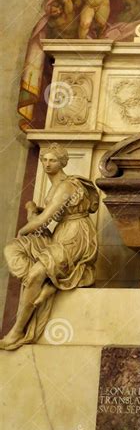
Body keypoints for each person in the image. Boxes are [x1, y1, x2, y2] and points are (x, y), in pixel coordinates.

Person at [0, 144, 99, 350]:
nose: (47, 163)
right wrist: (33, 210)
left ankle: (17, 330)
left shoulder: (67, 185)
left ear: (62, 162)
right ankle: (49, 284)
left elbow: (44, 220)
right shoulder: (55, 186)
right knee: (13, 249)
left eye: (52, 160)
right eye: (44, 159)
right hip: (61, 233)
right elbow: (52, 213)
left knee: (36, 270)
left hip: (76, 235)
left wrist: (24, 230)